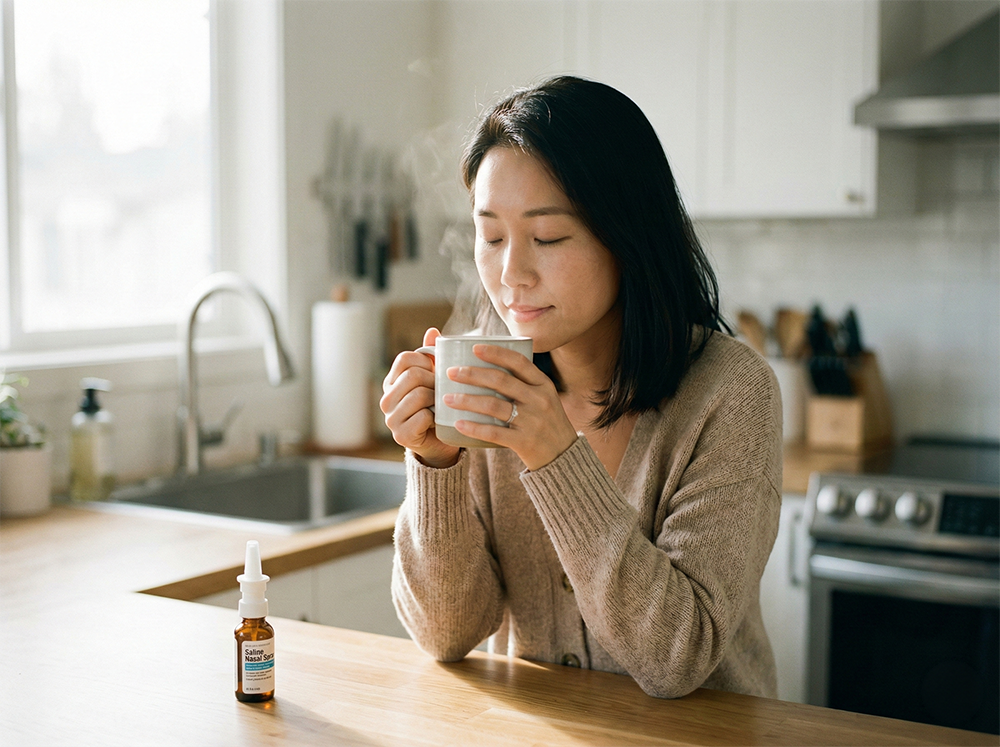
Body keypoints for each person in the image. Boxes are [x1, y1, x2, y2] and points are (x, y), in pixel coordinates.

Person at [379, 76, 782, 699]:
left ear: (628, 236)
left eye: (547, 237)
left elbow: (677, 658)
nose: (511, 273)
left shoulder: (732, 394)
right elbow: (446, 633)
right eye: (491, 237)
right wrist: (435, 463)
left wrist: (553, 455)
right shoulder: (489, 381)